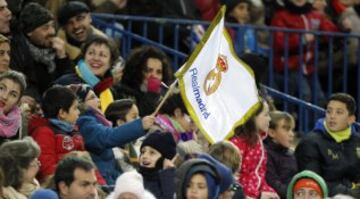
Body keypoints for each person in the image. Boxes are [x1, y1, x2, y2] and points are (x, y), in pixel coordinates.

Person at [72, 84, 155, 185]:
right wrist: (140, 125)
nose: (98, 100)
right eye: (92, 97)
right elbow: (107, 137)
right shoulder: (85, 123)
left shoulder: (98, 122)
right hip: (104, 184)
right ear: (81, 104)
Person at [271, 0, 338, 105]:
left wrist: (340, 29)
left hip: (309, 66)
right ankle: (299, 121)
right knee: (305, 94)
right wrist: (301, 40)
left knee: (319, 97)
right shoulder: (281, 16)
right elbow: (279, 42)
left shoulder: (314, 15)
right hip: (290, 64)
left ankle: (315, 122)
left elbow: (329, 32)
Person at [295, 93, 360, 197]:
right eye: (329, 111)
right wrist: (349, 193)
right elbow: (313, 182)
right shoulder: (310, 142)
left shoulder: (357, 140)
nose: (332, 116)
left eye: (339, 112)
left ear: (351, 119)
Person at [10, 2, 72, 101]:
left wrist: (63, 58)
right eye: (45, 28)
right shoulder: (20, 53)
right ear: (29, 32)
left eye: (52, 26)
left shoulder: (55, 51)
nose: (52, 31)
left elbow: (70, 83)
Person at [28, 85, 85, 182]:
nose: (78, 112)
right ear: (62, 113)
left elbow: (87, 164)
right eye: (75, 108)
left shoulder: (74, 132)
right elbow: (47, 171)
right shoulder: (44, 133)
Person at [230, 99, 279, 199]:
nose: (269, 119)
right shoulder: (237, 143)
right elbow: (232, 183)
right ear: (252, 117)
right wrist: (258, 195)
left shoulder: (259, 142)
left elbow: (259, 176)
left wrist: (269, 192)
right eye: (266, 115)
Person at [55, 36, 119, 112]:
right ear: (84, 57)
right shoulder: (67, 83)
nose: (96, 58)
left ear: (111, 62)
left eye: (102, 55)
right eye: (91, 53)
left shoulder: (111, 92)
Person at [120, 45, 173, 116]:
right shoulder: (123, 92)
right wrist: (152, 93)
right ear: (138, 70)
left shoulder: (162, 100)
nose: (154, 75)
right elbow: (140, 117)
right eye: (149, 70)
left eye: (159, 72)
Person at [265, 111, 298, 199]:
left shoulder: (291, 154)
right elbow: (272, 182)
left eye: (292, 130)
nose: (291, 134)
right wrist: (293, 195)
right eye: (286, 129)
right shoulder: (266, 154)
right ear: (272, 132)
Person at [138, 131, 177, 198]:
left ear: (164, 159)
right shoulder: (133, 177)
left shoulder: (169, 182)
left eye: (152, 153)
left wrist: (168, 174)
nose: (144, 156)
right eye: (143, 152)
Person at [0, 71, 27, 144]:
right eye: (1, 88)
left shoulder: (19, 124)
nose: (4, 97)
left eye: (13, 95)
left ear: (18, 102)